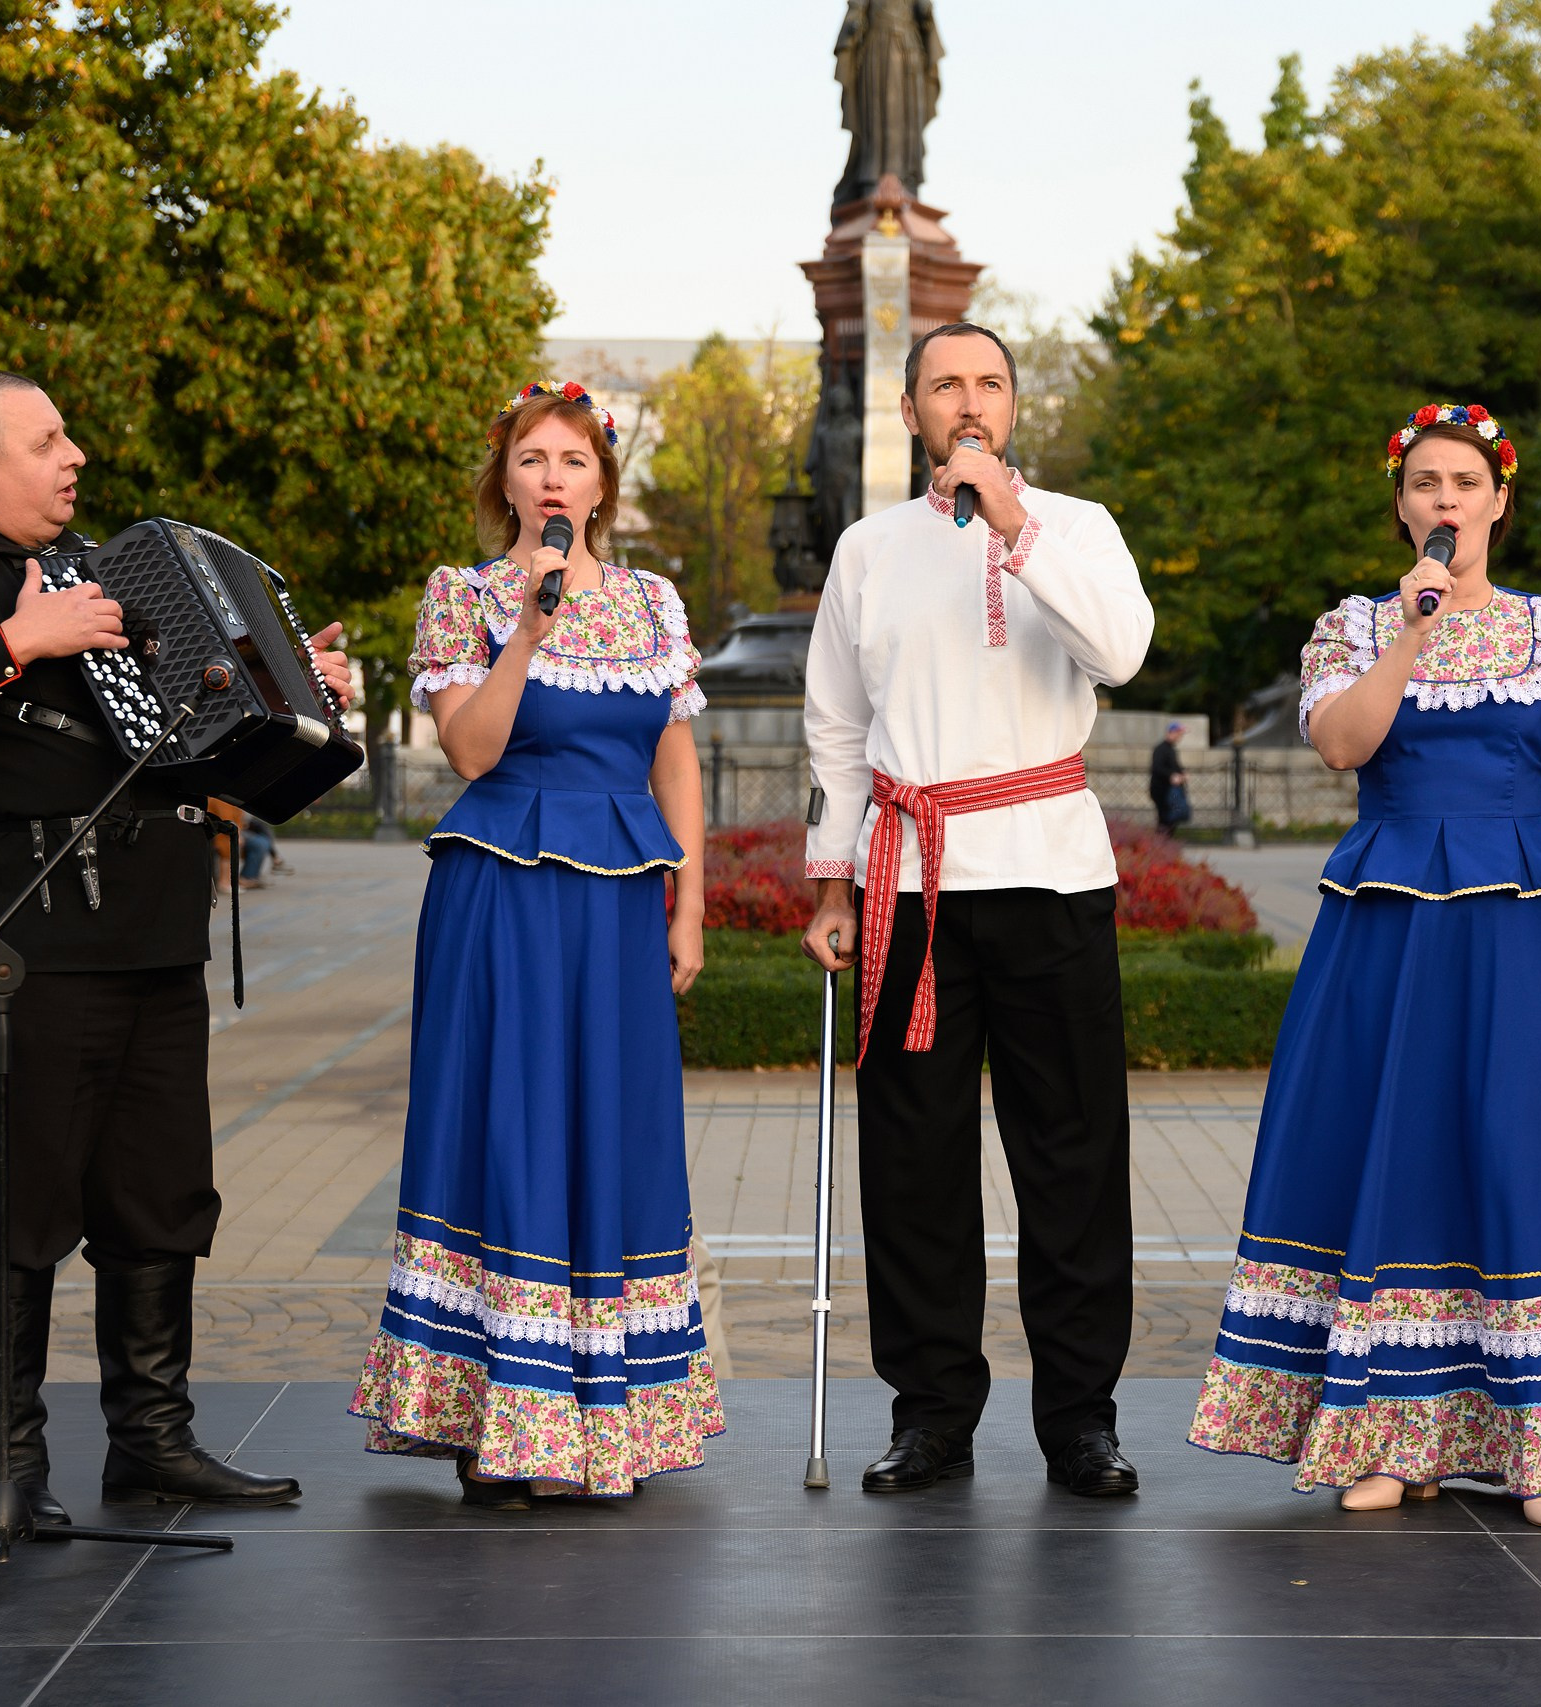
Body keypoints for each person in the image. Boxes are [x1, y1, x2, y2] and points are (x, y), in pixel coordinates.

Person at [1188, 404, 1541, 1527]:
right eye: (1424, 482)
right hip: (1385, 923)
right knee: (1393, 1148)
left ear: (1498, 501)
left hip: (1517, 919)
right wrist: (1410, 637)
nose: (1444, 500)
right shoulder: (1351, 628)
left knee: (1523, 1142)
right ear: (1399, 504)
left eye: (1464, 483)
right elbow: (1343, 743)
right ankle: (1390, 1430)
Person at [0, 370, 350, 1530]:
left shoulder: (109, 575)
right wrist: (17, 639)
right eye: (46, 439)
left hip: (152, 927)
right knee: (13, 1203)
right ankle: (7, 1465)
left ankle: (153, 1441)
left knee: (158, 1195)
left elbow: (193, 751)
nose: (74, 454)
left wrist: (290, 692)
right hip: (25, 932)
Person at [348, 378, 722, 1505]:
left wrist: (692, 903)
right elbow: (469, 752)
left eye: (572, 459)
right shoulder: (461, 596)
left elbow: (674, 759)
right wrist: (528, 626)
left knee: (613, 1131)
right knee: (501, 1124)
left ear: (601, 483)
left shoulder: (655, 603)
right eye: (531, 459)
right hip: (499, 897)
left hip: (617, 907)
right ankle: (491, 1417)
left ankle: (606, 1411)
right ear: (502, 480)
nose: (552, 476)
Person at [802, 322, 1155, 1497]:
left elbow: (1121, 652)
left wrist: (1014, 526)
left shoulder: (1079, 527)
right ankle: (932, 1414)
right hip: (910, 881)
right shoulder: (866, 548)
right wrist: (833, 880)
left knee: (1072, 1162)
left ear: (1013, 410)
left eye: (988, 385)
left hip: (1049, 871)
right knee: (915, 1168)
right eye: (944, 384)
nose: (968, 402)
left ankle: (1081, 1422)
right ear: (909, 411)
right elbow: (837, 729)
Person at [1149, 721, 1192, 834]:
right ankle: (1161, 843)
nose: (1180, 737)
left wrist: (1182, 773)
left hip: (1171, 791)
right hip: (1162, 790)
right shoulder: (1161, 749)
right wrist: (1171, 776)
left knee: (1172, 817)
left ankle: (1165, 842)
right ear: (1171, 733)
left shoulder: (1170, 749)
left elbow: (1175, 766)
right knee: (1165, 818)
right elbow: (1157, 767)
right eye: (1178, 733)